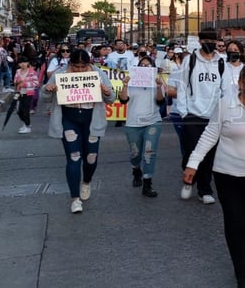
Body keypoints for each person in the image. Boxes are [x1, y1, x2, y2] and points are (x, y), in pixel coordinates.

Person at [183, 64, 245, 288]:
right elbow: (209, 134)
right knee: (235, 222)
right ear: (241, 84)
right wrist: (193, 164)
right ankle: (241, 272)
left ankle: (244, 262)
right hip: (228, 175)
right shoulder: (226, 104)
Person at [42, 50, 115, 213]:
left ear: (89, 64)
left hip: (91, 120)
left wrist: (107, 91)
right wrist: (48, 89)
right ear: (70, 64)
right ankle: (75, 199)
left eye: (83, 66)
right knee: (74, 157)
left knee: (91, 157)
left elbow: (111, 98)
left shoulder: (98, 74)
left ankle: (86, 181)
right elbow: (44, 97)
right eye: (76, 66)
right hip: (69, 119)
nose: (80, 70)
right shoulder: (60, 74)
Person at [167, 28, 226, 205]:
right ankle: (188, 180)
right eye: (206, 40)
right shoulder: (190, 61)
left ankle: (205, 190)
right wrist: (185, 112)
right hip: (192, 114)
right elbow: (182, 87)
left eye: (213, 40)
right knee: (191, 151)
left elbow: (224, 88)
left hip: (214, 116)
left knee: (209, 154)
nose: (210, 43)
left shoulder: (221, 62)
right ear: (200, 41)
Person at [119, 56, 165, 197]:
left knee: (149, 153)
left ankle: (147, 183)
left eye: (148, 66)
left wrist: (158, 87)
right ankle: (136, 169)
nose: (145, 68)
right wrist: (125, 85)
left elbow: (160, 101)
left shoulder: (158, 82)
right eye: (142, 65)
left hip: (152, 122)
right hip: (133, 123)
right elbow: (123, 100)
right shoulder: (132, 82)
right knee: (135, 153)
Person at [13, 57, 40, 134]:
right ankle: (26, 124)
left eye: (25, 62)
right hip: (19, 93)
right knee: (19, 111)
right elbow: (15, 81)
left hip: (28, 93)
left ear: (28, 63)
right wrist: (17, 82)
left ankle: (27, 126)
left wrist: (25, 84)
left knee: (25, 110)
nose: (23, 64)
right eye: (21, 62)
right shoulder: (18, 71)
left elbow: (36, 83)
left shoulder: (32, 72)